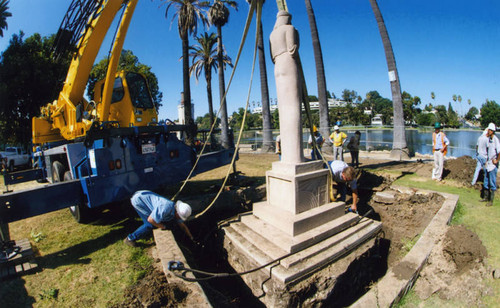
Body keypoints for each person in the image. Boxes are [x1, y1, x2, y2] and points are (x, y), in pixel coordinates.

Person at [124, 190, 195, 247]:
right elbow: (150, 220)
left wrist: (191, 237)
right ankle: (130, 238)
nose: (180, 218)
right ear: (177, 212)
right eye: (180, 216)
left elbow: (182, 225)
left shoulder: (175, 210)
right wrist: (163, 226)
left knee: (159, 221)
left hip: (145, 197)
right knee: (150, 224)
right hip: (139, 201)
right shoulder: (165, 208)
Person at [480, 123, 500, 206]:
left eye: (489, 130)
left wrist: (497, 160)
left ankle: (491, 201)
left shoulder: (495, 140)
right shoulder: (489, 140)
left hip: (493, 165)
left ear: (492, 131)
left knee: (492, 182)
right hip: (488, 163)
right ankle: (485, 197)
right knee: (486, 181)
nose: (488, 131)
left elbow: (499, 152)